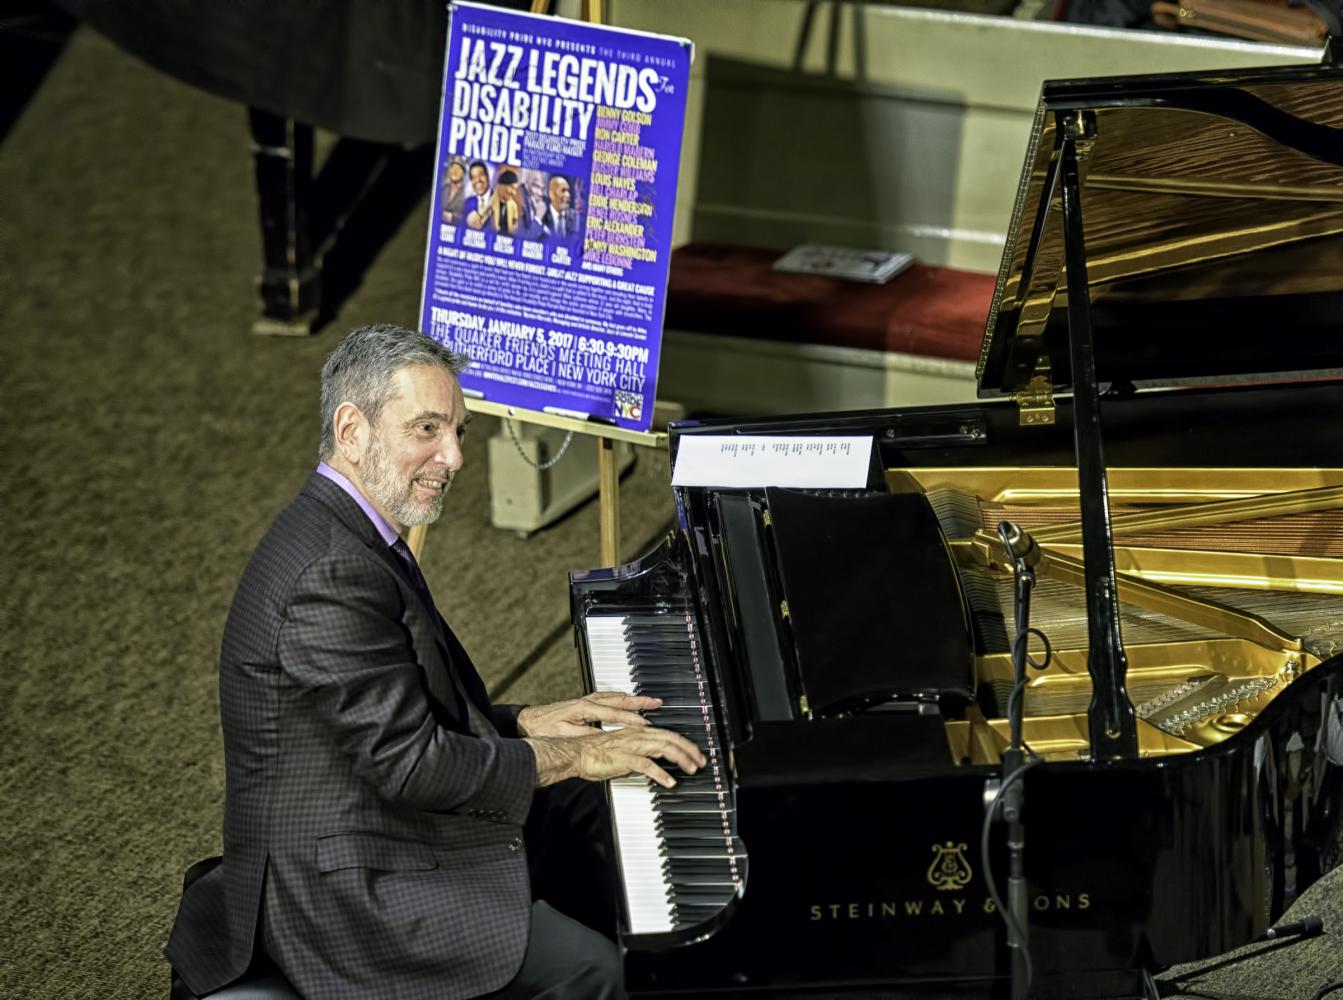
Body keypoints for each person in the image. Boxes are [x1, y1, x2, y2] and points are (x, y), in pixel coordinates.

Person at [165, 324, 705, 1000]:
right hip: (347, 878)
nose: (452, 457)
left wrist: (531, 722)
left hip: (373, 812)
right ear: (352, 428)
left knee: (595, 807)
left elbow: (400, 709)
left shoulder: (354, 528)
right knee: (591, 969)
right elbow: (410, 764)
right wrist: (575, 755)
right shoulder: (329, 572)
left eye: (458, 432)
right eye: (426, 430)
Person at [540, 174, 579, 242]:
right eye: (563, 190)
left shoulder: (575, 217)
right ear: (551, 194)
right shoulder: (541, 216)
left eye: (568, 191)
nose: (567, 195)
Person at [464, 160, 492, 229]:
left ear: (487, 177)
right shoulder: (467, 203)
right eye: (473, 177)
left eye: (481, 175)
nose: (477, 180)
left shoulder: (499, 200)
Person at [440, 158, 467, 225]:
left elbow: (468, 219)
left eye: (458, 168)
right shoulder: (444, 188)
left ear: (463, 173)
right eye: (453, 167)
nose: (455, 171)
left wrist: (453, 217)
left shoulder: (467, 193)